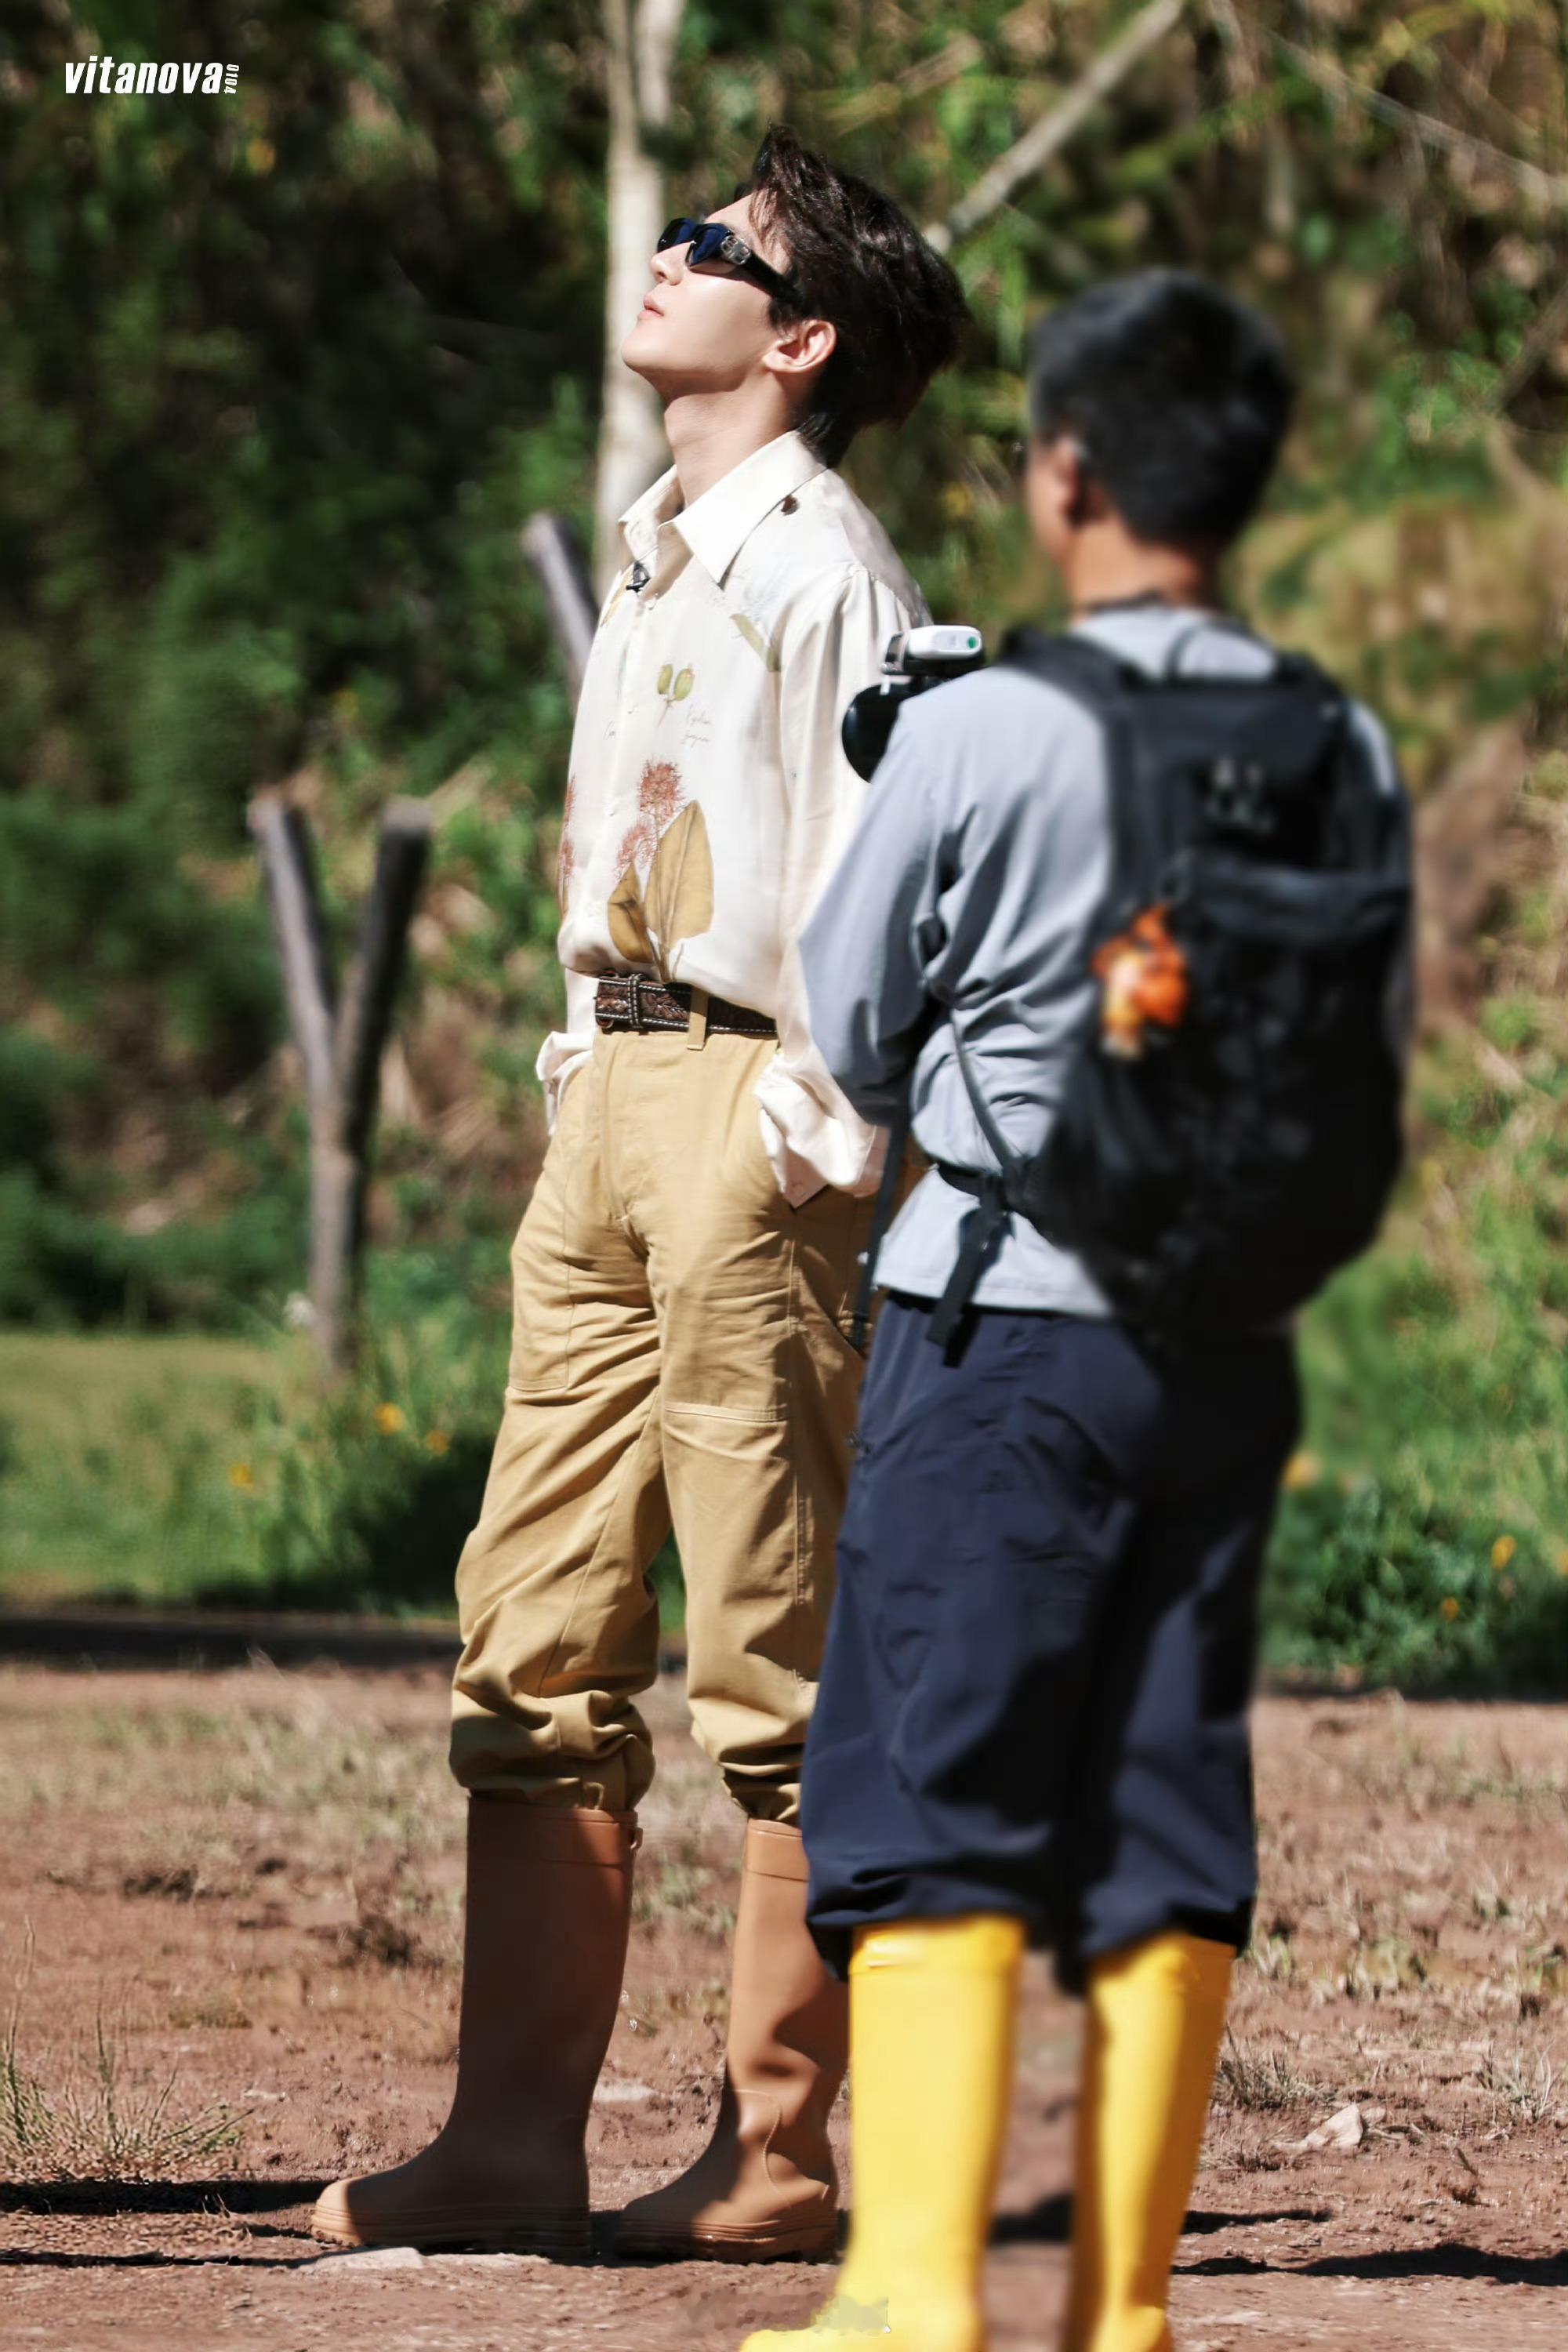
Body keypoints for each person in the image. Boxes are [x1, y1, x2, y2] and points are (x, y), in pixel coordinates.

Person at [310, 127, 966, 2262]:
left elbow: (888, 872)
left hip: (752, 1119)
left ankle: (777, 2155)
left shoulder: (827, 562)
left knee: (769, 1648)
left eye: (718, 247)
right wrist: (587, 1070)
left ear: (797, 338)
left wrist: (824, 1127)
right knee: (532, 1632)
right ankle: (513, 2141)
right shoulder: (667, 553)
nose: (668, 258)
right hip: (612, 1105)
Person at [740, 271, 1410, 2352]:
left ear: (1063, 480)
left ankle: (917, 2299)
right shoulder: (1337, 735)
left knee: (929, 1782)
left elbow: (848, 1022)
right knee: (1163, 1798)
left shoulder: (992, 722)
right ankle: (1122, 2313)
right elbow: (1365, 1036)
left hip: (999, 1326)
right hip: (1221, 1351)